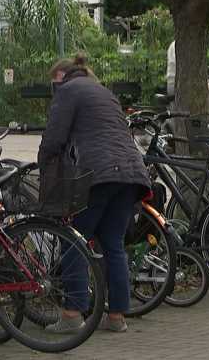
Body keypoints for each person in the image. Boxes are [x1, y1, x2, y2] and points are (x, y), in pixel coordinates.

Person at [38, 55, 150, 333]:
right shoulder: (104, 92)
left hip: (98, 174)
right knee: (113, 244)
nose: (54, 90)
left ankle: (72, 314)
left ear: (62, 76)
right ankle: (116, 317)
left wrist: (42, 166)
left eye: (54, 84)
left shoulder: (68, 90)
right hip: (131, 174)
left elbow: (54, 138)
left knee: (74, 239)